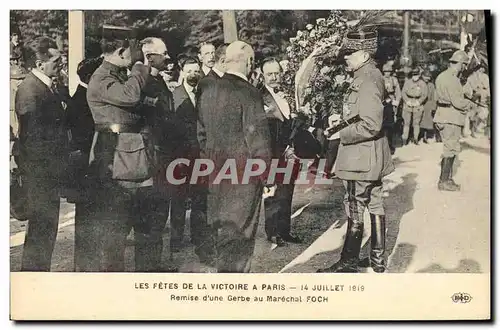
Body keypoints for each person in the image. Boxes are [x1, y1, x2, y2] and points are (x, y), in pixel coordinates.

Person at [317, 30, 394, 273]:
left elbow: (371, 124)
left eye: (349, 54)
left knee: (354, 206)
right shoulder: (369, 75)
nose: (345, 59)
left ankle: (348, 262)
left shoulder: (368, 79)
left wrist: (342, 133)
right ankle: (377, 260)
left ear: (363, 54)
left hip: (359, 157)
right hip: (371, 156)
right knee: (375, 204)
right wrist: (342, 119)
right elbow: (362, 114)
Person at [86, 28, 163, 272]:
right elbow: (130, 96)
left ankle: (147, 276)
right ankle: (115, 285)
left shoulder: (117, 74)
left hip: (137, 160)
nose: (139, 56)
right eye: (134, 52)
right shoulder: (101, 79)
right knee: (116, 232)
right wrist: (140, 64)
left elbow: (135, 100)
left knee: (147, 227)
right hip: (118, 163)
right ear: (121, 52)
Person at [197, 40, 273, 272]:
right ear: (249, 62)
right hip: (243, 178)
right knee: (242, 235)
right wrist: (267, 177)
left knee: (223, 233)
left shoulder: (208, 88)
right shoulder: (249, 92)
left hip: (215, 173)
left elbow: (201, 133)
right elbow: (258, 140)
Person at [15, 36, 69, 271]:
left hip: (47, 172)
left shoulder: (45, 87)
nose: (61, 64)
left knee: (47, 229)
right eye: (56, 61)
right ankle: (33, 279)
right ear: (40, 63)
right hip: (40, 174)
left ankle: (39, 275)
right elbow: (33, 138)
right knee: (40, 231)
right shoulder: (30, 90)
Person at [260, 57, 302, 247]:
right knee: (273, 193)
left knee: (287, 191)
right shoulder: (259, 97)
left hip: (290, 152)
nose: (274, 77)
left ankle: (285, 230)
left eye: (277, 73)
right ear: (262, 76)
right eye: (270, 74)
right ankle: (272, 232)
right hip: (273, 152)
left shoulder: (288, 95)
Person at [66, 57, 102, 271]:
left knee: (90, 216)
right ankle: (85, 265)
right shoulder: (81, 101)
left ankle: (87, 263)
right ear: (91, 77)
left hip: (88, 166)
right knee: (87, 217)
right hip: (86, 169)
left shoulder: (82, 97)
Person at [170, 57, 206, 253]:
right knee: (178, 198)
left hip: (200, 155)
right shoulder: (174, 95)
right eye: (189, 71)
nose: (193, 75)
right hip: (180, 155)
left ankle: (198, 236)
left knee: (200, 197)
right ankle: (176, 239)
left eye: (196, 71)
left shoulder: (204, 94)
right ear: (182, 72)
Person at [433, 50, 471, 192]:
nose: (465, 68)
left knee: (450, 148)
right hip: (451, 117)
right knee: (450, 149)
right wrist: (471, 104)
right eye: (464, 65)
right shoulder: (453, 80)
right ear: (460, 64)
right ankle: (444, 181)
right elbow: (458, 103)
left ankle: (446, 178)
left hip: (443, 115)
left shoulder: (442, 76)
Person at [401, 67, 428, 145]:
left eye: (416, 75)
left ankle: (415, 138)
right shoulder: (407, 82)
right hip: (408, 103)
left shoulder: (422, 84)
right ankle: (405, 139)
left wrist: (419, 102)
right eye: (413, 75)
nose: (415, 77)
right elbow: (403, 93)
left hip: (417, 104)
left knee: (416, 123)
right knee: (406, 122)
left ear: (419, 75)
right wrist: (407, 101)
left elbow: (424, 94)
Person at [464, 63, 490, 137]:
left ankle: (476, 129)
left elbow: (487, 86)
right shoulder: (471, 77)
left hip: (481, 100)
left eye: (483, 69)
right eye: (480, 69)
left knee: (483, 114)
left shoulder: (485, 77)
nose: (482, 70)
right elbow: (469, 88)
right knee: (469, 115)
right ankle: (469, 132)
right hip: (471, 99)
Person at [382, 61, 401, 154]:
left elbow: (398, 91)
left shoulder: (394, 79)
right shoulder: (381, 79)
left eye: (389, 71)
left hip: (392, 100)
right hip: (383, 102)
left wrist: (397, 101)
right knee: (383, 124)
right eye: (385, 71)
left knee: (392, 123)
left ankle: (390, 145)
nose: (387, 73)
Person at [420, 69, 437, 143]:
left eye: (429, 77)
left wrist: (434, 106)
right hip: (420, 104)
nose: (427, 78)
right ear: (422, 76)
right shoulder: (419, 84)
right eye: (425, 76)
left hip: (428, 105)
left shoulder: (431, 85)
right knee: (417, 121)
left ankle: (425, 136)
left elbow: (433, 97)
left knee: (427, 122)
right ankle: (416, 135)